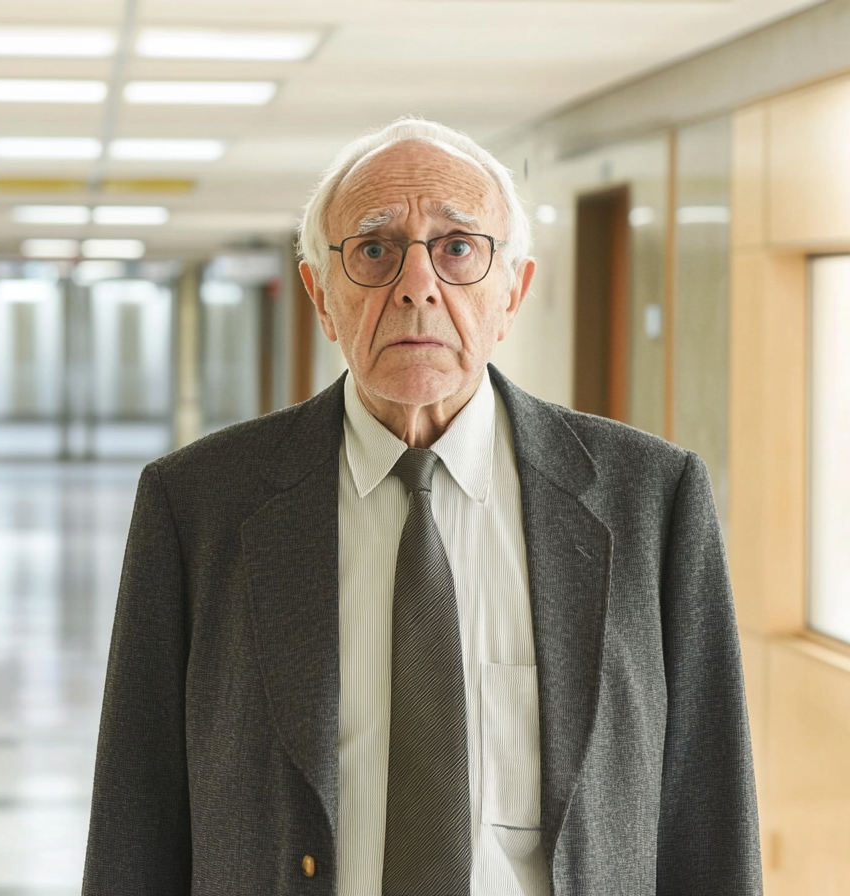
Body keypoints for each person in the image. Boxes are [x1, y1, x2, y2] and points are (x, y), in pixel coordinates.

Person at [82, 116, 760, 896]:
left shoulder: (652, 499)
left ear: (514, 291)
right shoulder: (196, 505)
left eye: (458, 248)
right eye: (374, 250)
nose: (416, 284)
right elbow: (136, 817)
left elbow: (708, 819)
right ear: (320, 295)